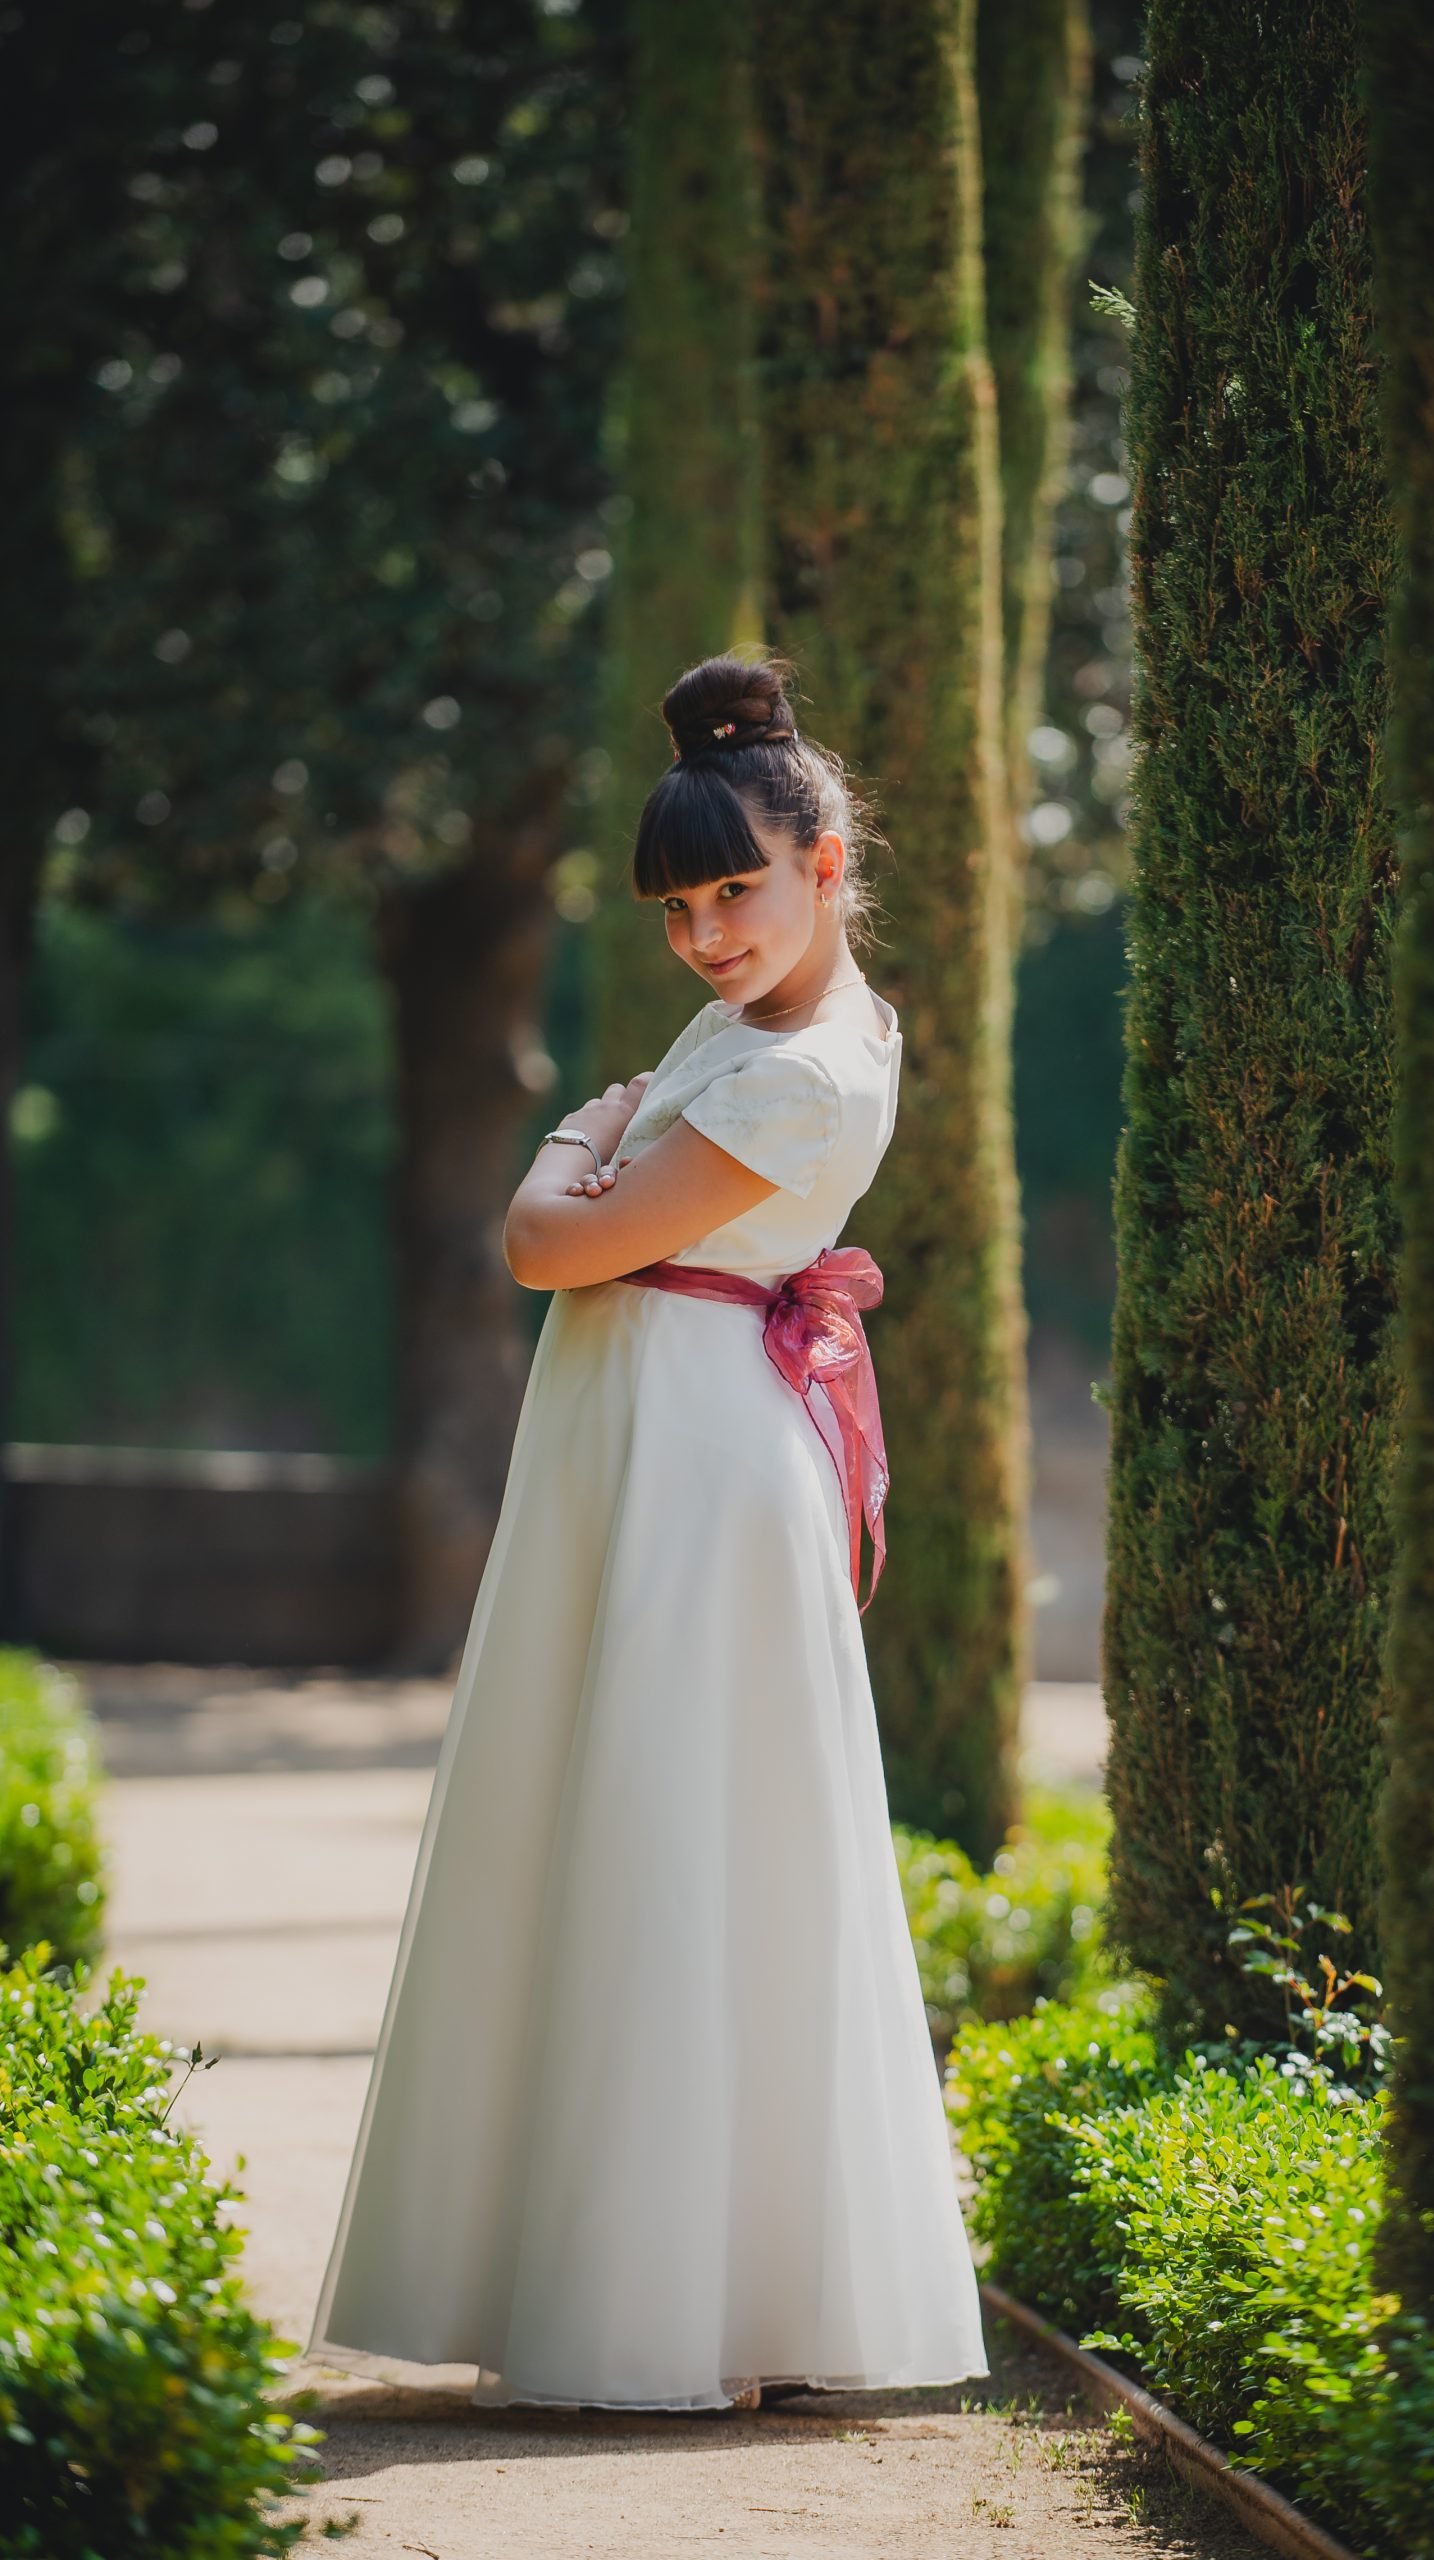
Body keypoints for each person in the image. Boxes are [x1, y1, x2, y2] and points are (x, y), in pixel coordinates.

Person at [307, 653, 990, 2413]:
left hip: (700, 1464)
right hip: (651, 1438)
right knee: (633, 1839)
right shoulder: (755, 1025)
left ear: (827, 860)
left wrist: (568, 1144)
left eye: (736, 890)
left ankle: (689, 2315)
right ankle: (662, 2293)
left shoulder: (807, 1068)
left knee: (675, 1855)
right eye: (679, 906)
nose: (704, 933)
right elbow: (589, 1224)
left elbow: (547, 1245)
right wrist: (595, 1165)